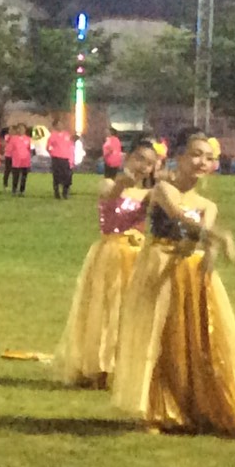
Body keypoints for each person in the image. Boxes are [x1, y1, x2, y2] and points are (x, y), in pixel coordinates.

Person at [111, 133, 235, 437]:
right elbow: (179, 217)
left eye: (208, 157)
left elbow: (198, 236)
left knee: (195, 338)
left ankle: (197, 404)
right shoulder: (163, 189)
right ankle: (158, 408)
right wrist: (219, 237)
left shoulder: (207, 205)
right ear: (180, 158)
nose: (202, 162)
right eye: (196, 154)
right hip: (159, 266)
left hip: (190, 271)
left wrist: (210, 250)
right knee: (161, 337)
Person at [52, 139, 159, 389]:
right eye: (139, 159)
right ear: (127, 158)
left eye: (149, 163)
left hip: (138, 256)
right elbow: (111, 196)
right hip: (111, 255)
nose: (143, 166)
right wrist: (124, 182)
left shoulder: (149, 194)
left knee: (132, 311)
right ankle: (99, 365)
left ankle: (125, 364)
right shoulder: (109, 183)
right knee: (105, 310)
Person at [49, 120, 75, 199]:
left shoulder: (67, 135)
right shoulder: (52, 136)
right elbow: (49, 146)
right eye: (58, 125)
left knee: (66, 176)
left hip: (65, 158)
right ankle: (56, 192)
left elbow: (70, 146)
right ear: (55, 126)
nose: (60, 126)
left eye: (61, 124)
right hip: (56, 158)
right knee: (57, 175)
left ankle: (65, 192)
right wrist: (53, 152)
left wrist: (71, 158)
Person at [6, 124, 33, 196]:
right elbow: (10, 149)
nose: (21, 130)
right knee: (16, 176)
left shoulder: (28, 139)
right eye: (19, 129)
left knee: (24, 177)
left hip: (25, 161)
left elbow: (31, 149)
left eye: (22, 129)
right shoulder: (13, 139)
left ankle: (22, 190)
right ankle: (14, 190)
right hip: (16, 161)